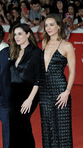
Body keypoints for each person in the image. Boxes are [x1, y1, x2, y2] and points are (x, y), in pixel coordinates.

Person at [39, 13, 75, 148]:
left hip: (60, 88)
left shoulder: (67, 46)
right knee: (47, 126)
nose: (48, 28)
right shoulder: (44, 43)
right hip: (44, 90)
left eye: (51, 25)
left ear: (59, 26)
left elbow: (72, 72)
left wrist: (67, 91)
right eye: (46, 25)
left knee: (62, 126)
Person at [9, 23, 41, 148]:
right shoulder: (13, 51)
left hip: (28, 92)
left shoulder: (36, 52)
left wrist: (30, 99)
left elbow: (38, 78)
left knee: (23, 123)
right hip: (13, 93)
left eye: (20, 34)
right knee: (13, 124)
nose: (16, 37)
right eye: (15, 34)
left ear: (28, 34)